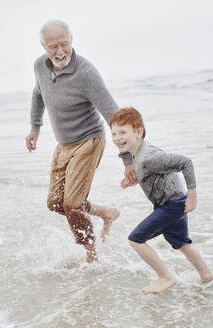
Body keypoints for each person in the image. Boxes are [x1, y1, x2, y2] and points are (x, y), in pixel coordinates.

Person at [25, 20, 135, 263]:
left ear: (72, 40)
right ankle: (107, 213)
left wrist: (128, 160)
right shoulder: (39, 67)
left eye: (64, 44)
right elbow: (37, 93)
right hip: (63, 144)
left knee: (72, 204)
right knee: (56, 203)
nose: (60, 51)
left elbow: (114, 116)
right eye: (53, 46)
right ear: (43, 45)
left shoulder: (85, 73)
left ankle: (91, 256)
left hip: (89, 140)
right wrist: (35, 127)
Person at [110, 107, 213, 294]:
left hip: (172, 205)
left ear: (139, 131)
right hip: (173, 201)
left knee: (136, 239)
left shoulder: (149, 157)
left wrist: (193, 196)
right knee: (181, 242)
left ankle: (165, 276)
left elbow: (185, 162)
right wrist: (129, 182)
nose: (117, 138)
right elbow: (149, 176)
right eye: (114, 133)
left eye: (123, 132)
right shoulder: (136, 151)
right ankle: (207, 276)